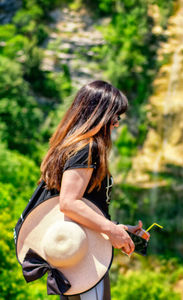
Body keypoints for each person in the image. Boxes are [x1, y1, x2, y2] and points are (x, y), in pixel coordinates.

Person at [37, 80, 145, 300]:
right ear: (99, 115)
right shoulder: (88, 148)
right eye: (115, 117)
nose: (116, 124)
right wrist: (111, 230)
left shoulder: (68, 146)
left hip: (74, 254)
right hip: (85, 260)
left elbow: (80, 206)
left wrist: (118, 228)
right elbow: (69, 203)